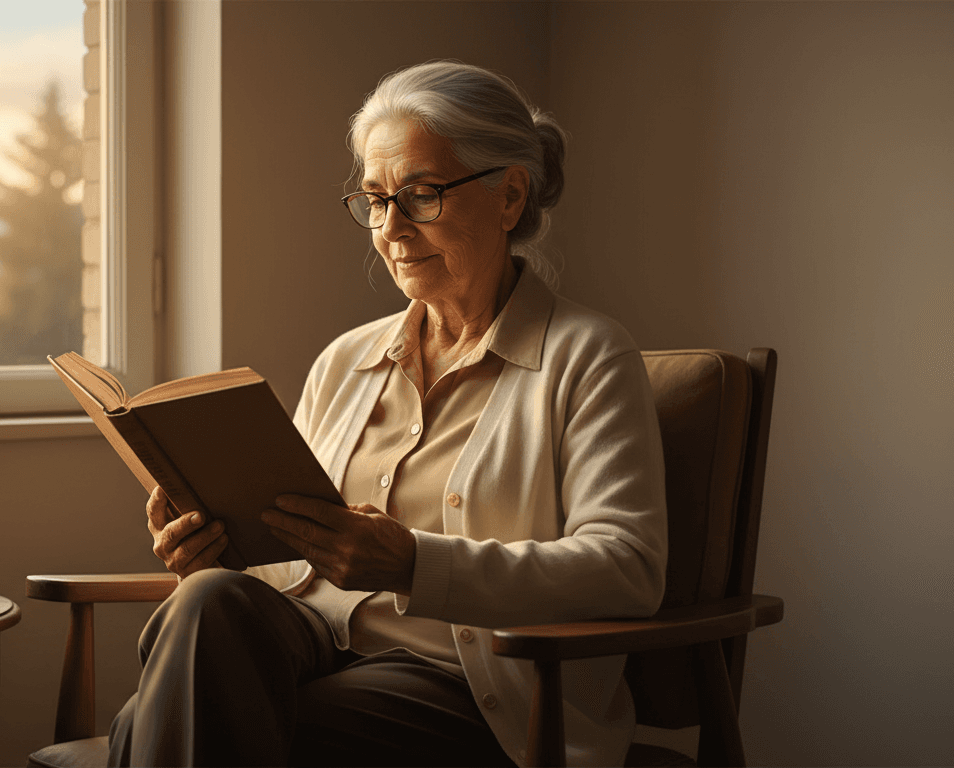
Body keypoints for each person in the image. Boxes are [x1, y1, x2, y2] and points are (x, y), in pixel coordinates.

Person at [108, 60, 668, 767]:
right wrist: (213, 552)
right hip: (309, 647)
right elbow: (287, 571)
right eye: (375, 199)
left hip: (470, 689)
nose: (391, 228)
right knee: (206, 602)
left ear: (510, 195)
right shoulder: (347, 359)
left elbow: (627, 570)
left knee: (156, 722)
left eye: (421, 195)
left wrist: (413, 564)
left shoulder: (588, 357)